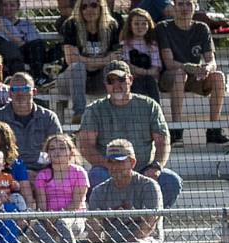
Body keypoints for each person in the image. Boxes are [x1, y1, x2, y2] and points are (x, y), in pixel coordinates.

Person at [79, 60, 181, 208]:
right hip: (109, 170)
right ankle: (109, 223)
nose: (116, 85)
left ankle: (150, 222)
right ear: (105, 84)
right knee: (96, 176)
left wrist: (156, 167)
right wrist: (115, 167)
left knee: (171, 181)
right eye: (110, 81)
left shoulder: (149, 105)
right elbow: (87, 147)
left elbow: (162, 142)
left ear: (131, 80)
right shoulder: (93, 110)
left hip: (144, 170)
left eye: (121, 79)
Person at [80, 137, 162, 243]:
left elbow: (149, 225)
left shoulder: (149, 186)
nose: (114, 167)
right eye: (110, 162)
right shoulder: (99, 191)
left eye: (119, 162)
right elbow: (94, 227)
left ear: (132, 162)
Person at [156, 0, 229, 145]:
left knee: (219, 76)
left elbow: (212, 61)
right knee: (179, 74)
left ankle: (213, 129)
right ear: (174, 7)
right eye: (180, 4)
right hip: (169, 77)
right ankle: (176, 130)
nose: (184, 8)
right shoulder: (163, 27)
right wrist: (191, 67)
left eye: (188, 4)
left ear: (195, 7)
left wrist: (207, 68)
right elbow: (169, 63)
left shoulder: (202, 28)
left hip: (196, 77)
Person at [57, 0, 121, 120]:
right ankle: (79, 115)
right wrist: (103, 61)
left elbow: (115, 58)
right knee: (78, 67)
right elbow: (71, 59)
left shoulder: (112, 26)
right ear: (79, 10)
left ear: (101, 7)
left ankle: (116, 113)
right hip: (70, 80)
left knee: (115, 67)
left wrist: (85, 61)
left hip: (98, 80)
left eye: (93, 5)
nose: (88, 10)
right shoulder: (71, 25)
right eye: (84, 7)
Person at [0, 72, 61, 172]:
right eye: (15, 89)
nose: (19, 93)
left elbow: (58, 151)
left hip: (43, 174)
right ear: (9, 93)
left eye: (25, 89)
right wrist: (21, 174)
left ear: (34, 92)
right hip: (8, 174)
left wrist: (42, 176)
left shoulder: (49, 118)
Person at [31, 131, 88, 243]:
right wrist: (48, 220)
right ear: (47, 154)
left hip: (74, 217)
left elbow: (76, 204)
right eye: (52, 148)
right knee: (37, 227)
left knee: (61, 223)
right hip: (48, 218)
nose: (57, 151)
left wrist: (57, 217)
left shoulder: (79, 172)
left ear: (71, 153)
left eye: (62, 148)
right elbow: (42, 206)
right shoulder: (42, 175)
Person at [120, 7, 162, 104]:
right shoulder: (124, 45)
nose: (140, 27)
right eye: (136, 24)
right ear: (130, 25)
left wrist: (145, 73)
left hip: (150, 79)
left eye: (144, 23)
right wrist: (140, 72)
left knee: (150, 81)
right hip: (132, 79)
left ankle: (157, 111)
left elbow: (155, 69)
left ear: (148, 25)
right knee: (136, 82)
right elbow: (127, 65)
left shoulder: (153, 45)